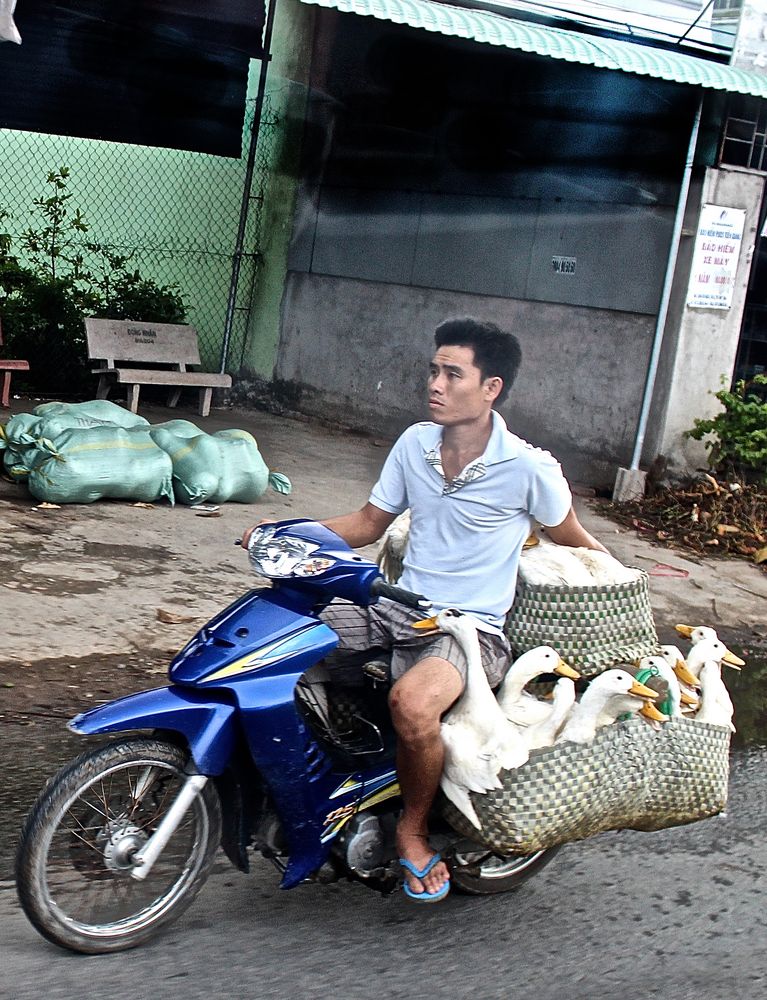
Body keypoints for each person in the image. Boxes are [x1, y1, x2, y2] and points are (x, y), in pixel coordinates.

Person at [244, 317, 606, 902]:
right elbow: (366, 525)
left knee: (411, 704)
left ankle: (412, 833)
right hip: (398, 607)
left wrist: (618, 582)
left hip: (469, 633)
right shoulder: (415, 444)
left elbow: (573, 537)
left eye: (452, 373)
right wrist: (285, 531)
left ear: (490, 389)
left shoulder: (528, 467)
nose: (435, 383)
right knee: (273, 641)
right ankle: (328, 786)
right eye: (433, 370)